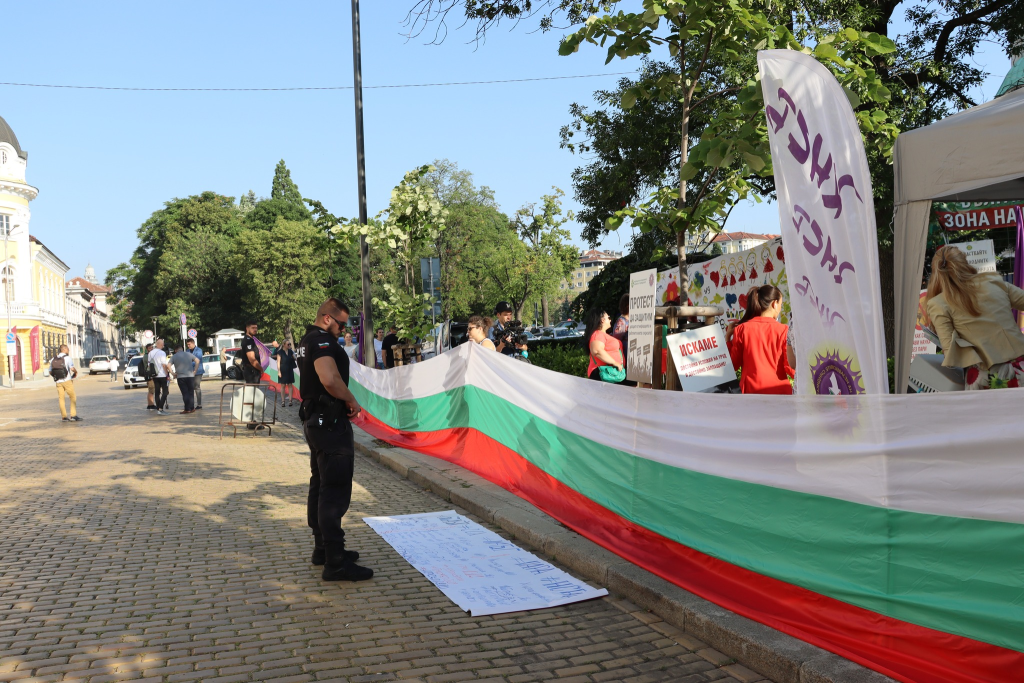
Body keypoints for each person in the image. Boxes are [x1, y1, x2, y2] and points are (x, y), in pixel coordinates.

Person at [297, 298, 373, 582]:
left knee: (320, 482)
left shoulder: (307, 340)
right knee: (335, 488)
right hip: (328, 422)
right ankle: (336, 562)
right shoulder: (322, 342)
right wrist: (351, 399)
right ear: (327, 318)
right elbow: (329, 378)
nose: (345, 329)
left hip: (316, 421)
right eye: (341, 324)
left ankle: (323, 549)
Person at [925, 245, 1024, 390]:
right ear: (965, 262)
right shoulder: (994, 282)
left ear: (936, 272)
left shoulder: (938, 303)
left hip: (987, 376)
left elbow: (948, 351)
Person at [726, 285, 794, 395]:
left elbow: (733, 365)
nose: (780, 309)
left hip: (751, 393)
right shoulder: (784, 330)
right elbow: (790, 367)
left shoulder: (741, 329)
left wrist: (728, 339)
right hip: (780, 393)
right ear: (774, 304)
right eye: (780, 304)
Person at [583, 309, 626, 383]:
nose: (610, 320)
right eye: (608, 317)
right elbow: (597, 351)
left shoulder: (603, 335)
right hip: (604, 373)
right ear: (602, 320)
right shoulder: (598, 334)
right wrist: (615, 363)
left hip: (611, 373)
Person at [50, 344, 82, 422]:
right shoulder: (67, 358)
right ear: (64, 349)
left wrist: (56, 376)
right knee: (72, 397)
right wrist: (76, 372)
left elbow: (50, 371)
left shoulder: (52, 359)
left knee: (61, 399)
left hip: (58, 381)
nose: (68, 350)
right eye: (68, 349)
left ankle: (64, 417)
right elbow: (71, 368)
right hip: (67, 380)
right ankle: (73, 415)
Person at [169, 344, 200, 413]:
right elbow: (197, 361)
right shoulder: (189, 354)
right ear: (182, 349)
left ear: (175, 350)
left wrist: (173, 373)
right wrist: (195, 371)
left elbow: (168, 365)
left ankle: (187, 409)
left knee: (185, 393)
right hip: (190, 376)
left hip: (181, 377)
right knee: (191, 392)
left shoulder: (174, 356)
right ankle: (192, 408)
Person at [148, 339, 171, 415]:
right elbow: (164, 365)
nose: (163, 345)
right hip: (162, 375)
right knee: (165, 392)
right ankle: (160, 409)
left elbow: (149, 365)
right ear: (161, 344)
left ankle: (158, 408)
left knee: (157, 392)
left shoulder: (150, 353)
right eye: (163, 344)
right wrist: (167, 374)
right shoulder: (162, 353)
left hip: (155, 376)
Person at [240, 320, 263, 384]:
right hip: (251, 371)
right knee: (253, 392)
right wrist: (261, 369)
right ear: (247, 328)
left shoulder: (251, 340)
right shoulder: (248, 341)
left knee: (254, 392)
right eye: (253, 328)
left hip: (253, 371)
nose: (255, 329)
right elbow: (252, 359)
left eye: (256, 328)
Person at [278, 340, 297, 407]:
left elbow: (295, 358)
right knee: (283, 385)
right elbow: (278, 363)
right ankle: (283, 401)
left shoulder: (290, 351)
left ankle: (290, 400)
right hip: (283, 370)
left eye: (290, 344)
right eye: (288, 344)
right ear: (284, 344)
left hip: (289, 369)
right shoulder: (280, 352)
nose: (289, 345)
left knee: (290, 384)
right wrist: (279, 371)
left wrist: (294, 356)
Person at [186, 338, 205, 409]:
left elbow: (197, 360)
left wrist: (190, 361)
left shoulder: (198, 350)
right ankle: (191, 404)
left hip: (198, 371)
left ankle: (199, 404)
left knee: (197, 387)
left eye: (189, 344)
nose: (188, 346)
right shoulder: (187, 351)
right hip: (189, 372)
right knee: (190, 388)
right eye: (187, 344)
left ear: (193, 343)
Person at [143, 343, 156, 410]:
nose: (151, 349)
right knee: (151, 390)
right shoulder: (147, 356)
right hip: (149, 375)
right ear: (147, 349)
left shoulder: (149, 355)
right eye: (150, 348)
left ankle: (151, 404)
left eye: (152, 347)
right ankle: (150, 405)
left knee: (151, 390)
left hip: (151, 374)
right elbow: (149, 365)